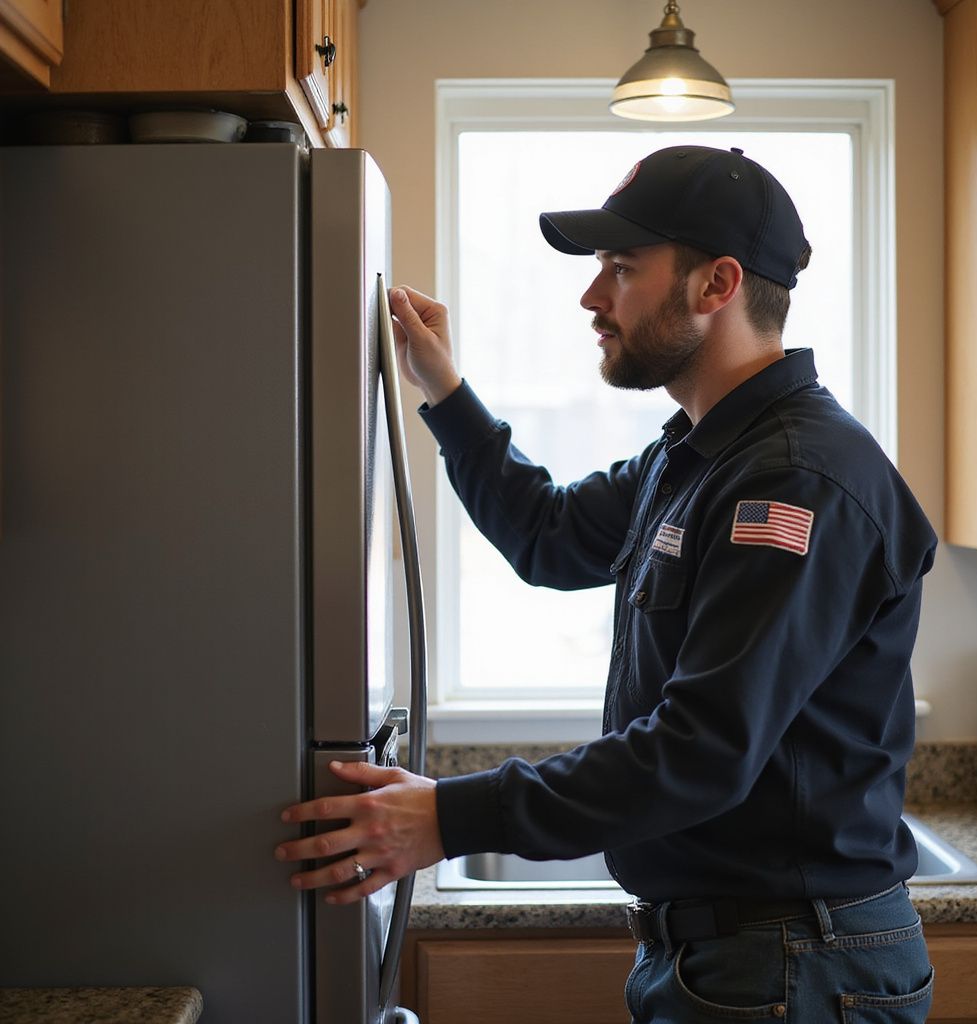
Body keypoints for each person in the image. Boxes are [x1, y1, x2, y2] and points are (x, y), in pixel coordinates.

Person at [274, 145, 937, 1023]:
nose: (593, 298)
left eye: (621, 269)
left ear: (717, 284)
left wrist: (452, 816)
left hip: (795, 966)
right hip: (737, 959)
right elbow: (548, 535)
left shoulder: (793, 480)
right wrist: (442, 387)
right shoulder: (696, 456)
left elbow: (702, 749)